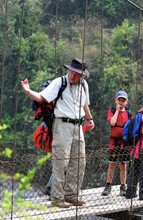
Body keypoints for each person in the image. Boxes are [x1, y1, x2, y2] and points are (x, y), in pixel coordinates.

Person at [21, 58, 94, 208]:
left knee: (80, 160)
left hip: (78, 125)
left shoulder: (84, 85)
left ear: (82, 76)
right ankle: (57, 198)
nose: (73, 76)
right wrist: (28, 90)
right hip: (62, 125)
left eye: (77, 74)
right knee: (61, 161)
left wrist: (89, 118)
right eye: (72, 72)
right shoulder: (59, 82)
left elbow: (85, 104)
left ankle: (72, 195)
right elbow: (41, 97)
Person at [101, 91, 131, 196]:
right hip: (114, 142)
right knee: (112, 164)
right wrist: (117, 111)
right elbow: (112, 123)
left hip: (124, 142)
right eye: (119, 100)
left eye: (123, 100)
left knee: (123, 165)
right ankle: (108, 185)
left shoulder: (129, 113)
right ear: (115, 101)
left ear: (126, 102)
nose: (121, 102)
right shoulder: (112, 111)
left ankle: (123, 186)